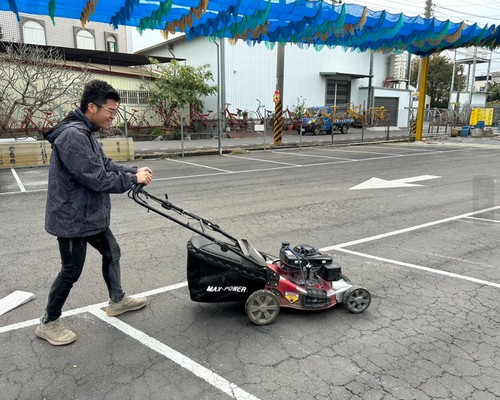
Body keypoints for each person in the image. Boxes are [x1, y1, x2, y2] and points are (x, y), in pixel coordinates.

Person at [35, 80, 153, 346]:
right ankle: (48, 322)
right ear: (92, 107)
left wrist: (130, 171)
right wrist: (133, 179)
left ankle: (117, 300)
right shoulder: (73, 137)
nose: (113, 116)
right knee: (71, 271)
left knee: (112, 252)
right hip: (71, 218)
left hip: (89, 214)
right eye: (110, 111)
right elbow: (97, 178)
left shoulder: (86, 131)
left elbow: (105, 164)